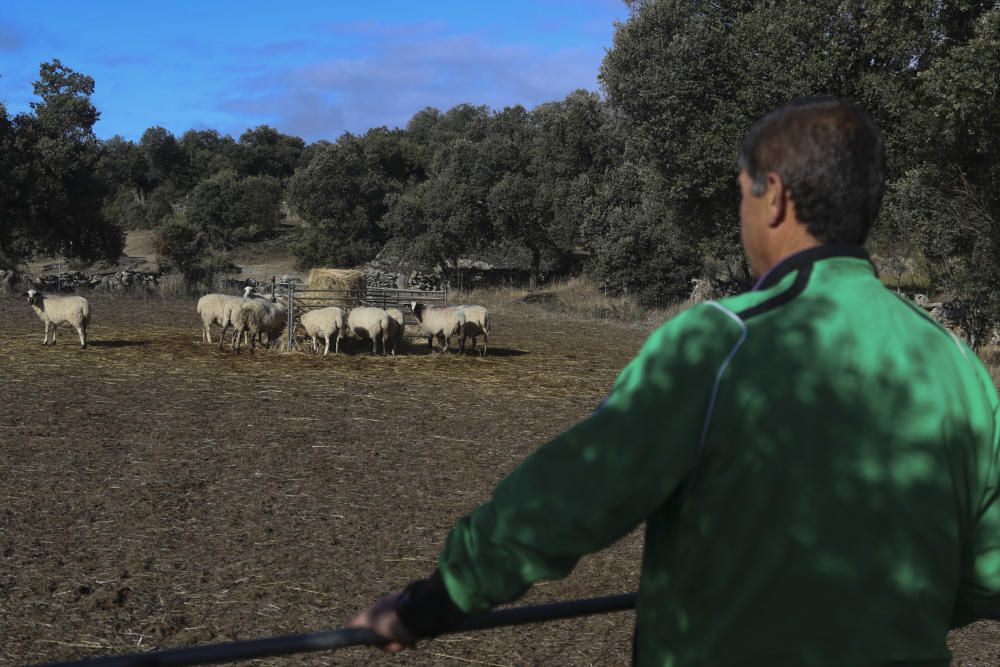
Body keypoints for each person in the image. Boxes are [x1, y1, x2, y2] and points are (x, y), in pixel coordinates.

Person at [349, 96, 1000, 665]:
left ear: (773, 197)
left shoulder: (718, 342)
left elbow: (577, 492)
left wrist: (435, 599)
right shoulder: (957, 362)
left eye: (739, 192)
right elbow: (987, 571)